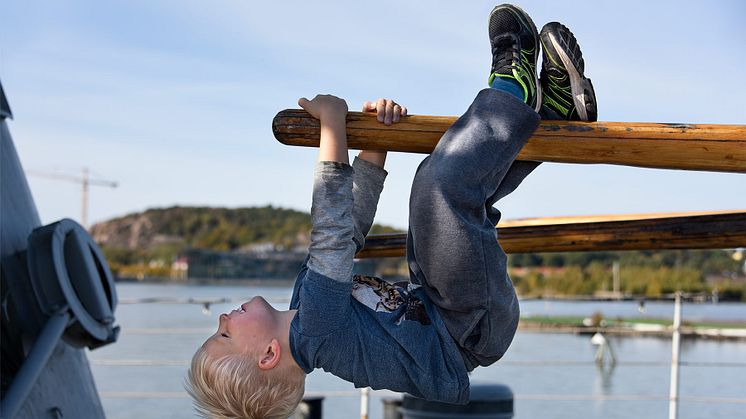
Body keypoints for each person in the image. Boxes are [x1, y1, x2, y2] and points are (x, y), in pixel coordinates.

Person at [186, 4, 598, 418]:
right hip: (466, 325)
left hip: (448, 308)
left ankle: (555, 113)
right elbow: (329, 226)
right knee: (437, 191)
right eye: (224, 333)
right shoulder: (317, 327)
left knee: (456, 196)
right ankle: (512, 89)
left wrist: (375, 143)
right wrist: (333, 125)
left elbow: (349, 229)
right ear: (269, 354)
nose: (223, 316)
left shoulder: (305, 305)